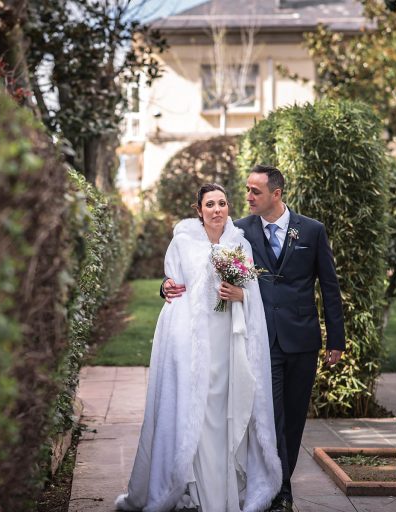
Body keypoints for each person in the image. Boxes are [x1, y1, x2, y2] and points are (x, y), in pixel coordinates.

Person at [163, 165, 345, 512]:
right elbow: (197, 258)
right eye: (246, 191)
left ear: (276, 194)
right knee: (271, 418)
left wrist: (335, 339)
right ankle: (281, 493)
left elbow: (330, 286)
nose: (246, 197)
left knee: (293, 418)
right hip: (259, 338)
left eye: (254, 192)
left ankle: (281, 481)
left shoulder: (312, 230)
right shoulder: (239, 231)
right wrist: (165, 286)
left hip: (301, 338)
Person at [117, 184, 281, 512]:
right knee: (197, 410)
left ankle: (224, 490)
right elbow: (174, 285)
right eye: (210, 204)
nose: (217, 209)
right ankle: (194, 487)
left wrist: (241, 296)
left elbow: (253, 293)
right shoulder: (182, 243)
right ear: (199, 209)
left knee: (223, 411)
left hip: (228, 343)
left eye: (222, 203)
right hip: (191, 344)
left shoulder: (241, 244)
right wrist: (165, 286)